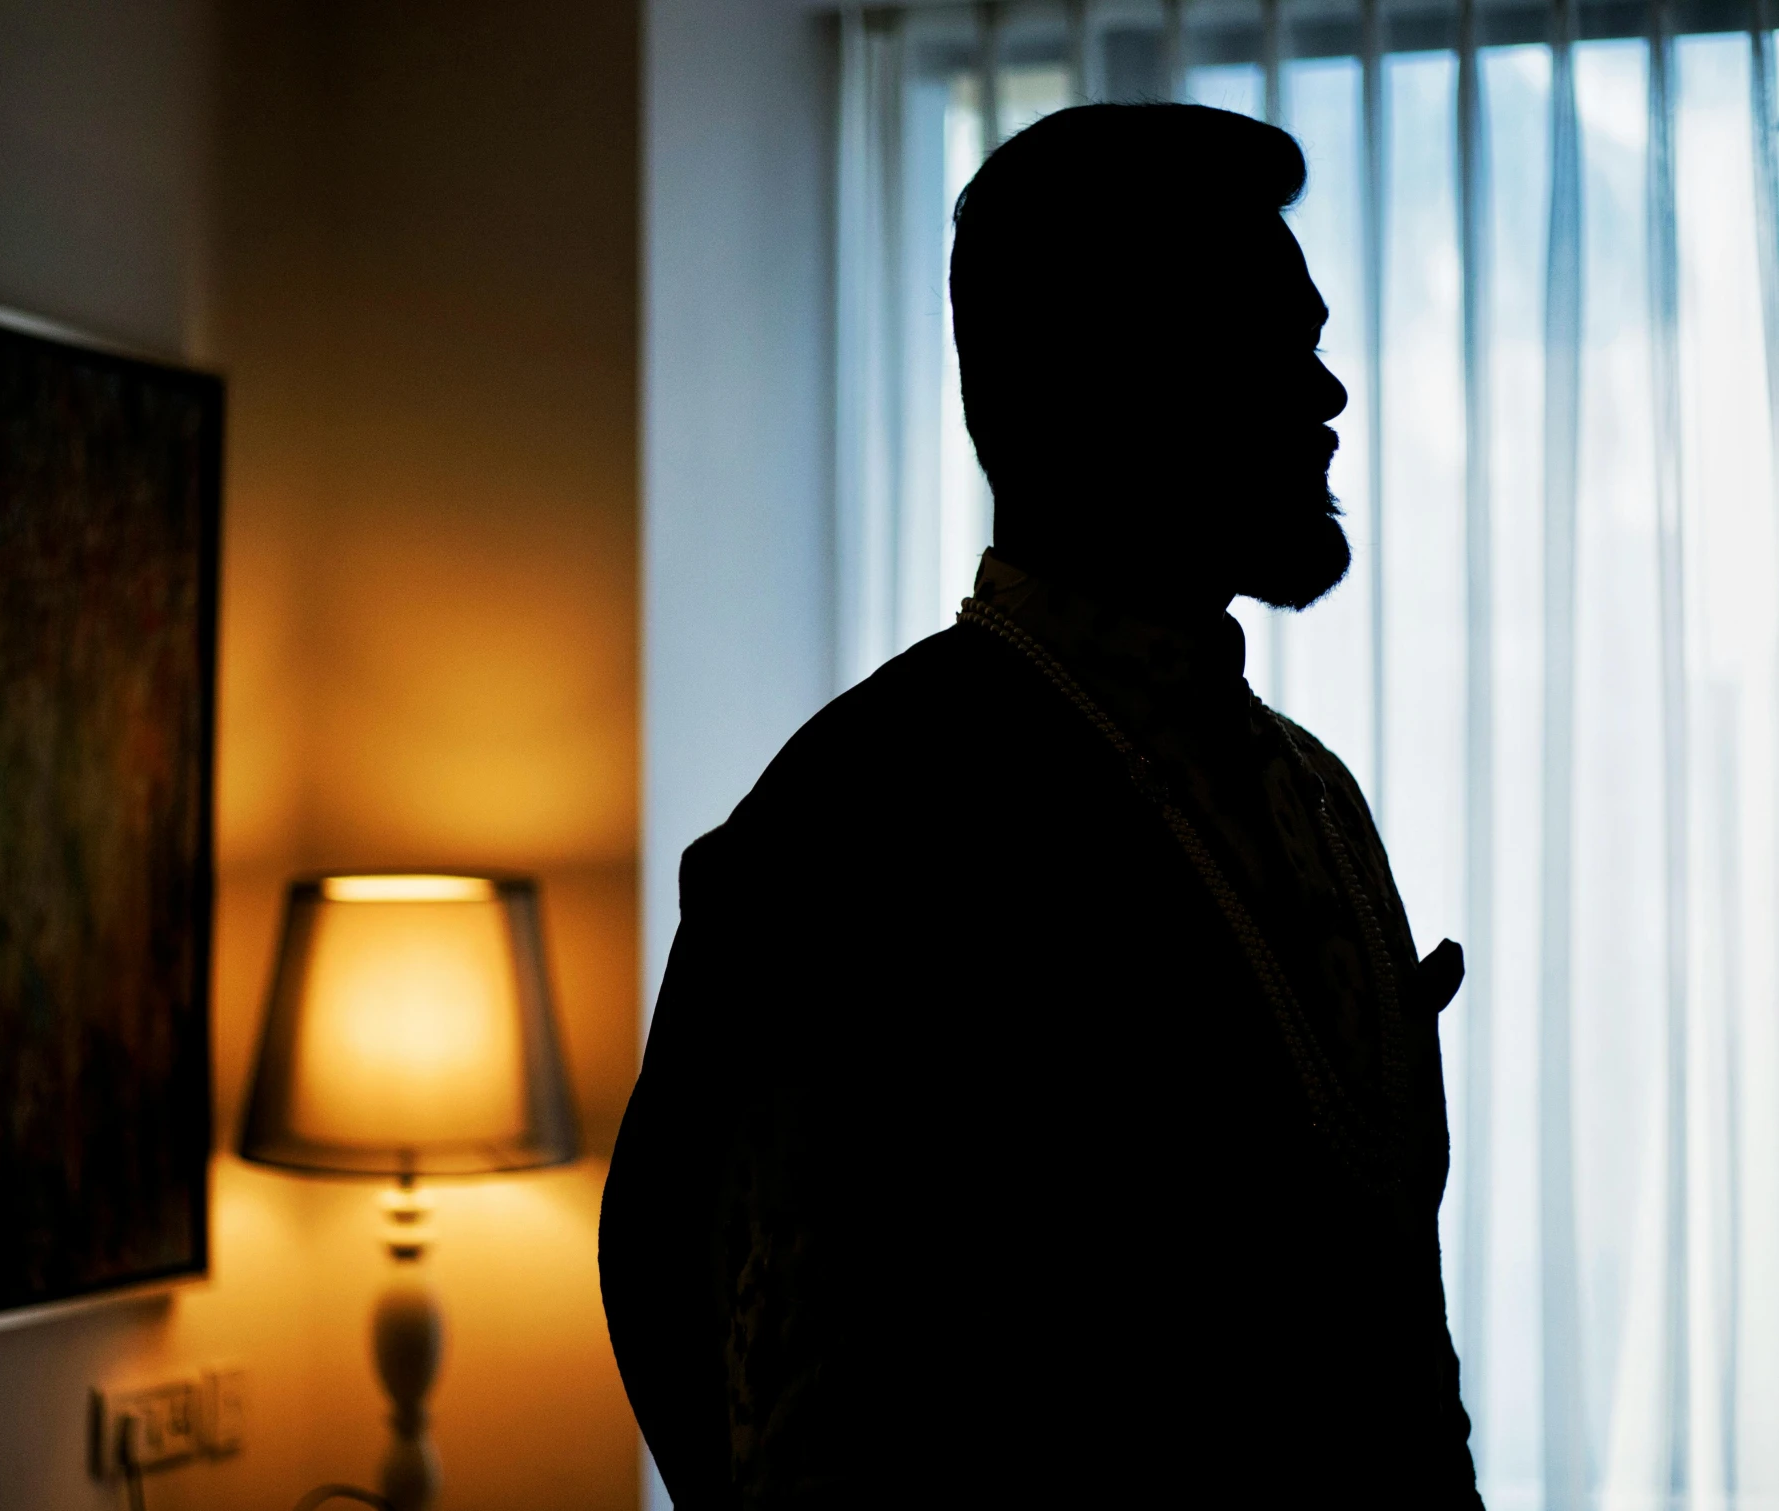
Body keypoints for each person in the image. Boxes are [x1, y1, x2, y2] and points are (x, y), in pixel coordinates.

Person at [599, 103, 1482, 1509]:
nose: (1329, 393)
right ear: (1106, 380)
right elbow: (745, 1391)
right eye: (1272, 340)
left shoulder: (1314, 798)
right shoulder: (866, 824)